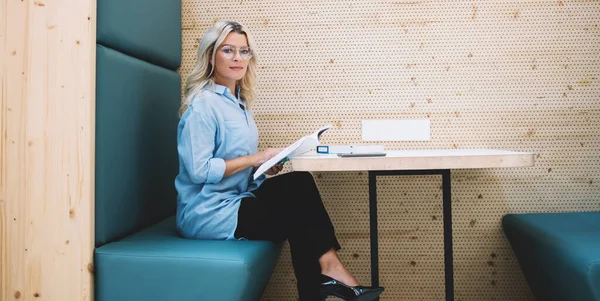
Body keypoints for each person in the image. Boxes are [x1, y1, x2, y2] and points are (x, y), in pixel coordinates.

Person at [174, 20, 384, 301]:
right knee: (299, 214)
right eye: (228, 50)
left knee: (298, 184)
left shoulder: (239, 104)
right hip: (208, 213)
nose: (238, 58)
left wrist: (263, 168)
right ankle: (329, 275)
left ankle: (326, 278)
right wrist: (254, 158)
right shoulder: (203, 105)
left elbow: (238, 169)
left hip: (235, 200)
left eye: (244, 51)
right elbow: (200, 171)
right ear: (211, 56)